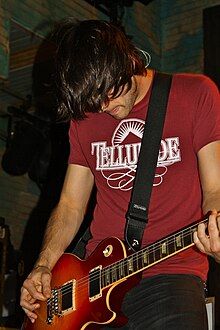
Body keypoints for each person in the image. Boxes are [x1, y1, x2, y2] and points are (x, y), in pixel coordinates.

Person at [20, 18, 220, 329]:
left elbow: (215, 188)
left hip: (170, 274)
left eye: (108, 92)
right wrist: (43, 265)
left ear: (129, 60)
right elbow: (71, 205)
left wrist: (216, 224)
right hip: (94, 279)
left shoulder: (196, 94)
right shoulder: (86, 115)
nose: (102, 106)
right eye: (92, 100)